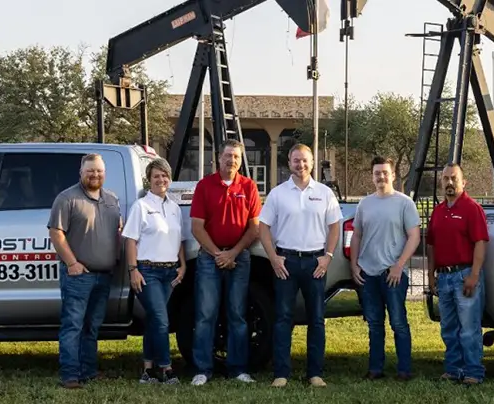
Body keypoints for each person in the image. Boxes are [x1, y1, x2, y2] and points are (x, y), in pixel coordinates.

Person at [259, 144, 343, 388]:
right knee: (283, 318)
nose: (301, 165)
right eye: (296, 160)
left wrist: (327, 256)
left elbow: (335, 226)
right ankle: (281, 373)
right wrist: (273, 257)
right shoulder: (278, 193)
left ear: (312, 162)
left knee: (316, 319)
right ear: (289, 162)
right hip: (286, 262)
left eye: (305, 160)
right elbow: (263, 227)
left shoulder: (325, 193)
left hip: (315, 263)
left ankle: (315, 373)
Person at [188, 139, 261, 386]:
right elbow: (197, 227)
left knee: (237, 315)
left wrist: (233, 254)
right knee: (205, 314)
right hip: (209, 258)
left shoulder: (249, 186)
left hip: (239, 258)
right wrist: (218, 254)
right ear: (218, 158)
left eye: (237, 157)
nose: (232, 160)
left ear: (241, 161)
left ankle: (238, 369)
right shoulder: (204, 186)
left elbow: (254, 228)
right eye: (228, 155)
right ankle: (202, 370)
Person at [49, 153, 123, 389]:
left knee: (92, 327)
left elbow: (118, 231)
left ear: (105, 173)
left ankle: (89, 371)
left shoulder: (111, 199)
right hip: (79, 275)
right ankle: (70, 375)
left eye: (99, 171)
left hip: (104, 275)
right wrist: (72, 263)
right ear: (81, 173)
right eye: (90, 170)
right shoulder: (67, 198)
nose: (95, 174)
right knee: (73, 325)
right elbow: (56, 233)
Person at [348, 155, 420, 382]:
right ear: (372, 176)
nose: (381, 176)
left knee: (398, 322)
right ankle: (375, 369)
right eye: (377, 173)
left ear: (393, 175)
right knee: (374, 323)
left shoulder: (404, 203)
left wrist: (399, 266)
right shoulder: (364, 204)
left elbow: (414, 236)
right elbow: (357, 235)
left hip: (394, 274)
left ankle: (404, 370)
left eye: (385, 172)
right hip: (368, 272)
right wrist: (354, 265)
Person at [123, 158, 187, 385]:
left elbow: (178, 239)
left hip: (170, 273)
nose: (161, 180)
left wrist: (183, 265)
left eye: (164, 175)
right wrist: (133, 271)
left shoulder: (174, 207)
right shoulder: (141, 206)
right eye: (156, 176)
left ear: (169, 179)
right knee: (161, 320)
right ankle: (166, 369)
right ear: (149, 180)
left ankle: (147, 370)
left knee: (153, 320)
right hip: (147, 271)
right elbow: (130, 241)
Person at [426, 163, 489, 386]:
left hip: (464, 275)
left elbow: (481, 243)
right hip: (443, 277)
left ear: (464, 182)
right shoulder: (438, 211)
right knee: (449, 328)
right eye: (445, 179)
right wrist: (431, 275)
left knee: (469, 328)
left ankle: (473, 372)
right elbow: (431, 245)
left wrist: (474, 274)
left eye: (454, 178)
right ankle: (453, 369)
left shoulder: (472, 209)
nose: (449, 182)